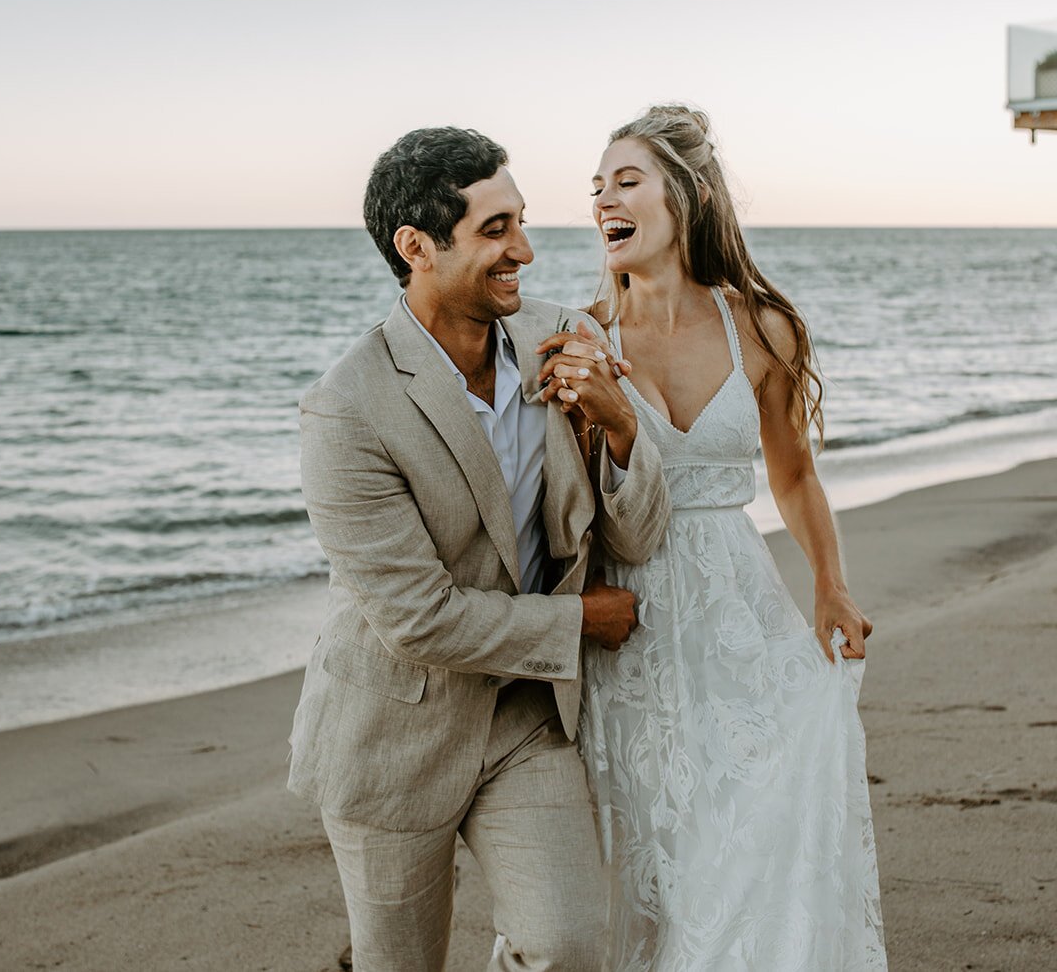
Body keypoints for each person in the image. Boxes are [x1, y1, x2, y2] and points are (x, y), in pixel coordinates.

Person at [287, 125, 670, 972]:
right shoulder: (346, 409)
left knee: (568, 947)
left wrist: (618, 423)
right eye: (495, 231)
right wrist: (574, 621)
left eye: (521, 222)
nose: (525, 251)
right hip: (391, 731)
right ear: (416, 246)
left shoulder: (563, 336)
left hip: (529, 719)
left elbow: (637, 533)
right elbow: (417, 619)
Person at [545, 105, 887, 969]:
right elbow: (564, 505)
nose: (604, 201)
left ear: (687, 196)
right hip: (629, 628)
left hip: (736, 609)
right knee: (651, 859)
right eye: (596, 187)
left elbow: (795, 474)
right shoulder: (582, 336)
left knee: (750, 834)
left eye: (627, 180)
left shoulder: (761, 327)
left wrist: (830, 583)